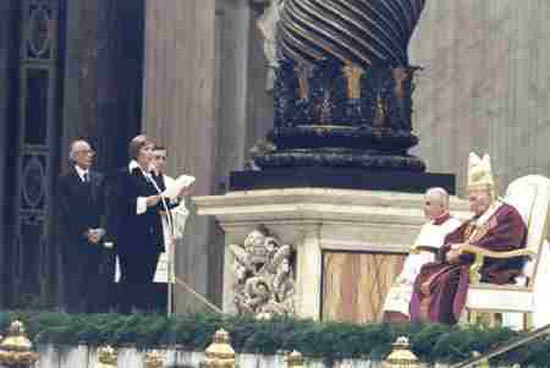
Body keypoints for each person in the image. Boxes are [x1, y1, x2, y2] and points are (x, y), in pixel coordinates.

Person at [410, 153, 527, 324]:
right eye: (469, 199)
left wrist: (463, 254)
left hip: (494, 268)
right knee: (427, 271)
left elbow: (502, 243)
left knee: (446, 280)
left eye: (474, 199)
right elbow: (454, 236)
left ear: (488, 193)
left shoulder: (507, 214)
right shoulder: (478, 217)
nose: (470, 205)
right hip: (473, 263)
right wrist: (448, 250)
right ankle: (421, 329)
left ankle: (443, 329)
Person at [383, 187, 461, 322]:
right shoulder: (427, 226)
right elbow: (415, 250)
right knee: (394, 301)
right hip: (411, 272)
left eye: (428, 204)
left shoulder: (454, 226)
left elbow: (449, 255)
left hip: (431, 272)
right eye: (425, 203)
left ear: (442, 206)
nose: (424, 208)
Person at [57, 139, 111, 313]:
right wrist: (85, 232)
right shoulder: (65, 180)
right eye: (85, 152)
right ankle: (73, 321)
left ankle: (92, 322)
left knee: (94, 282)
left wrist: (101, 229)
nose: (90, 155)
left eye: (90, 152)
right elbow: (66, 211)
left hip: (96, 240)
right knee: (74, 282)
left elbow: (106, 207)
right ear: (75, 156)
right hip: (74, 240)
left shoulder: (99, 179)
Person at [114, 135, 166, 312]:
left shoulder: (152, 176)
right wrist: (144, 202)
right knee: (130, 283)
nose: (151, 153)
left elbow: (161, 202)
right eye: (146, 149)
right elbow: (119, 202)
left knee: (146, 285)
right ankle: (125, 324)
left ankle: (142, 324)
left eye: (152, 149)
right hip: (131, 238)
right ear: (136, 153)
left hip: (152, 238)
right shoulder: (124, 174)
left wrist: (178, 195)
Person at [150, 146, 193, 282]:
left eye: (163, 158)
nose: (160, 161)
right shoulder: (144, 179)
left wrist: (179, 197)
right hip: (148, 230)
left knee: (163, 279)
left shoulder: (170, 182)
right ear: (149, 159)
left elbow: (181, 210)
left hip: (165, 230)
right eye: (157, 158)